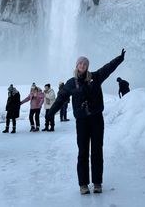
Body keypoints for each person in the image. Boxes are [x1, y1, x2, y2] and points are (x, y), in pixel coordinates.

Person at [48, 49, 125, 194]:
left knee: (97, 151)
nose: (82, 65)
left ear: (87, 66)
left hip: (96, 119)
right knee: (83, 152)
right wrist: (50, 113)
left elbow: (108, 68)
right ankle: (83, 184)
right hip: (82, 122)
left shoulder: (95, 77)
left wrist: (119, 58)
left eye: (84, 63)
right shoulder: (70, 84)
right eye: (80, 63)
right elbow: (60, 99)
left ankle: (97, 183)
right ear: (77, 66)